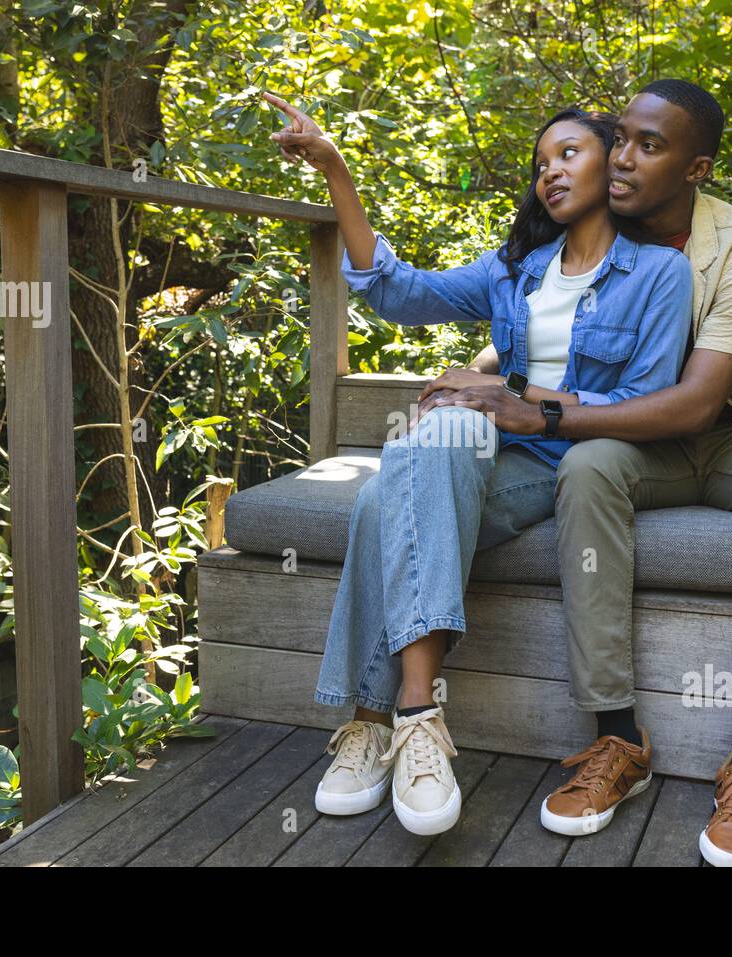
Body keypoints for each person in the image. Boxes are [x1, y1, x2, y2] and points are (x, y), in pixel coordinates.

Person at [431, 79, 732, 864]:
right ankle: (616, 741)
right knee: (588, 469)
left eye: (648, 147)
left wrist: (542, 410)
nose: (621, 158)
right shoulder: (589, 214)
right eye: (619, 136)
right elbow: (536, 308)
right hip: (625, 443)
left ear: (696, 170)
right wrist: (483, 370)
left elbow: (696, 404)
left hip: (727, 431)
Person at [262, 91, 692, 836]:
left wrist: (510, 387)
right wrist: (333, 167)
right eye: (541, 164)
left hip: (574, 458)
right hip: (490, 452)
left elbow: (644, 399)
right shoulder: (513, 270)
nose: (550, 172)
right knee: (436, 438)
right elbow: (397, 292)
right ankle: (418, 718)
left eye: (570, 153)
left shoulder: (659, 273)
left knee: (383, 495)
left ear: (611, 163)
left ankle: (372, 720)